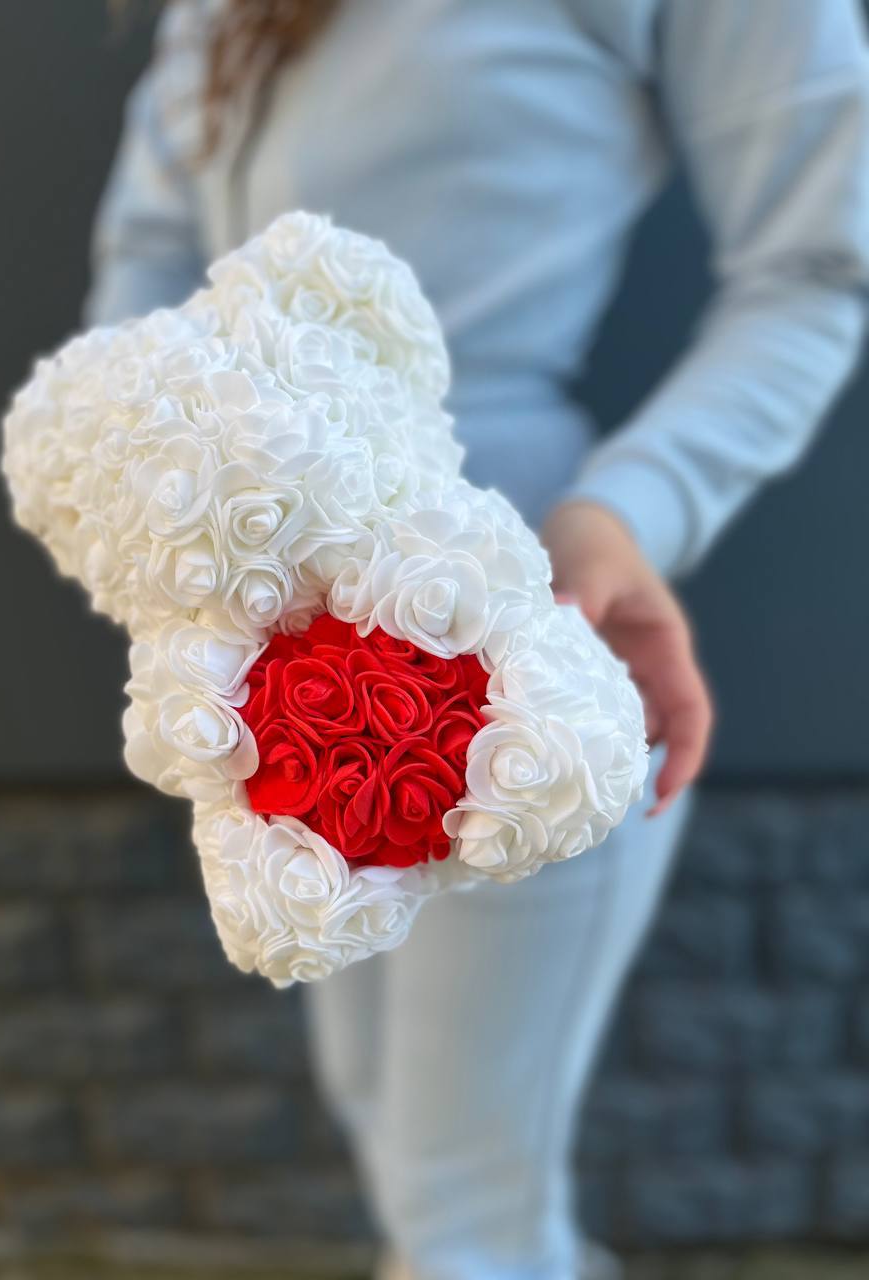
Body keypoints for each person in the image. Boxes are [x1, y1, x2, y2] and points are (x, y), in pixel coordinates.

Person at [86, 3, 869, 1276]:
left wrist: (631, 509)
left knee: (464, 1207)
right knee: (386, 1122)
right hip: (281, 642)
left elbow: (819, 265)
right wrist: (174, 510)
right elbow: (149, 260)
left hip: (519, 634)